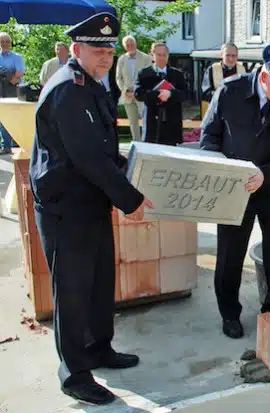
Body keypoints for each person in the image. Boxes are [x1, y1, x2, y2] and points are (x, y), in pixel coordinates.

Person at [28, 12, 153, 405]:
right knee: (73, 290)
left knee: (100, 282)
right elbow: (87, 157)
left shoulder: (94, 86)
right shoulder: (67, 89)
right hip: (67, 207)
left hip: (91, 202)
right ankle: (75, 373)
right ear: (77, 49)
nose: (106, 56)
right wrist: (131, 199)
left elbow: (105, 151)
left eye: (110, 49)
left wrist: (136, 172)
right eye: (98, 48)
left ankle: (100, 348)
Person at [200, 43, 270, 339]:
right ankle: (229, 314)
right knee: (229, 256)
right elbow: (209, 137)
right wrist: (224, 172)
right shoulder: (231, 91)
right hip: (235, 189)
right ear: (264, 77)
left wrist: (268, 174)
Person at [134, 42, 186, 145]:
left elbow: (185, 94)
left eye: (164, 55)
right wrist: (157, 93)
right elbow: (138, 94)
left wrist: (170, 94)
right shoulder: (144, 73)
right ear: (152, 55)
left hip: (171, 122)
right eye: (158, 55)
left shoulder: (177, 74)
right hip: (152, 121)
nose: (162, 58)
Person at [116, 35, 152, 141]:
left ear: (136, 44)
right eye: (127, 44)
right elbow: (118, 78)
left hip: (141, 95)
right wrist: (125, 90)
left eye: (131, 43)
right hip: (127, 96)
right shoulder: (122, 59)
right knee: (133, 122)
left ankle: (147, 142)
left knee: (146, 120)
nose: (130, 46)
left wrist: (137, 91)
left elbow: (148, 78)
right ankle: (137, 143)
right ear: (124, 46)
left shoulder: (146, 58)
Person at [0, 32, 25, 154]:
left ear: (11, 43)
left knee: (15, 116)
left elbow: (19, 74)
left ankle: (17, 143)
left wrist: (6, 78)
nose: (4, 44)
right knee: (2, 118)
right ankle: (6, 145)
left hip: (13, 90)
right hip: (1, 90)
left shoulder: (17, 57)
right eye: (2, 41)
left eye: (7, 41)